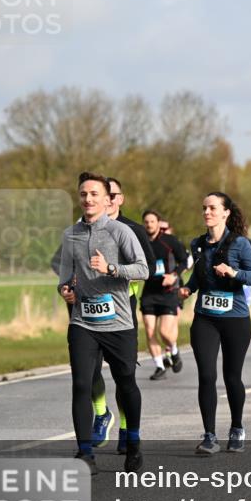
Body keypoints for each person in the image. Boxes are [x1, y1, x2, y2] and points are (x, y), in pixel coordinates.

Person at [58, 172, 149, 474]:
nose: (88, 199)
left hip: (119, 322)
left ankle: (133, 445)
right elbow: (64, 278)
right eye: (83, 194)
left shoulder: (120, 232)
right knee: (82, 384)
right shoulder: (71, 234)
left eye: (94, 194)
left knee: (126, 383)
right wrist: (66, 291)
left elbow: (143, 270)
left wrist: (110, 268)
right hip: (83, 321)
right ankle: (85, 453)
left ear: (108, 200)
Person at [180, 192, 251, 455]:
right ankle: (209, 435)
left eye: (213, 208)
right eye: (204, 208)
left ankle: (237, 428)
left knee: (231, 377)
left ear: (226, 212)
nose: (207, 212)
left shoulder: (240, 244)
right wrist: (187, 289)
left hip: (235, 320)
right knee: (206, 375)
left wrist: (233, 272)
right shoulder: (198, 243)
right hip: (205, 318)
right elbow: (199, 273)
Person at [140, 210, 188, 379]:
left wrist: (174, 275)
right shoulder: (141, 242)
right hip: (149, 292)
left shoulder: (169, 241)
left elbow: (185, 260)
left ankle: (173, 350)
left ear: (158, 223)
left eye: (152, 221)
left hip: (168, 292)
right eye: (146, 222)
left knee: (165, 332)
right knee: (149, 330)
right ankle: (159, 366)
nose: (149, 224)